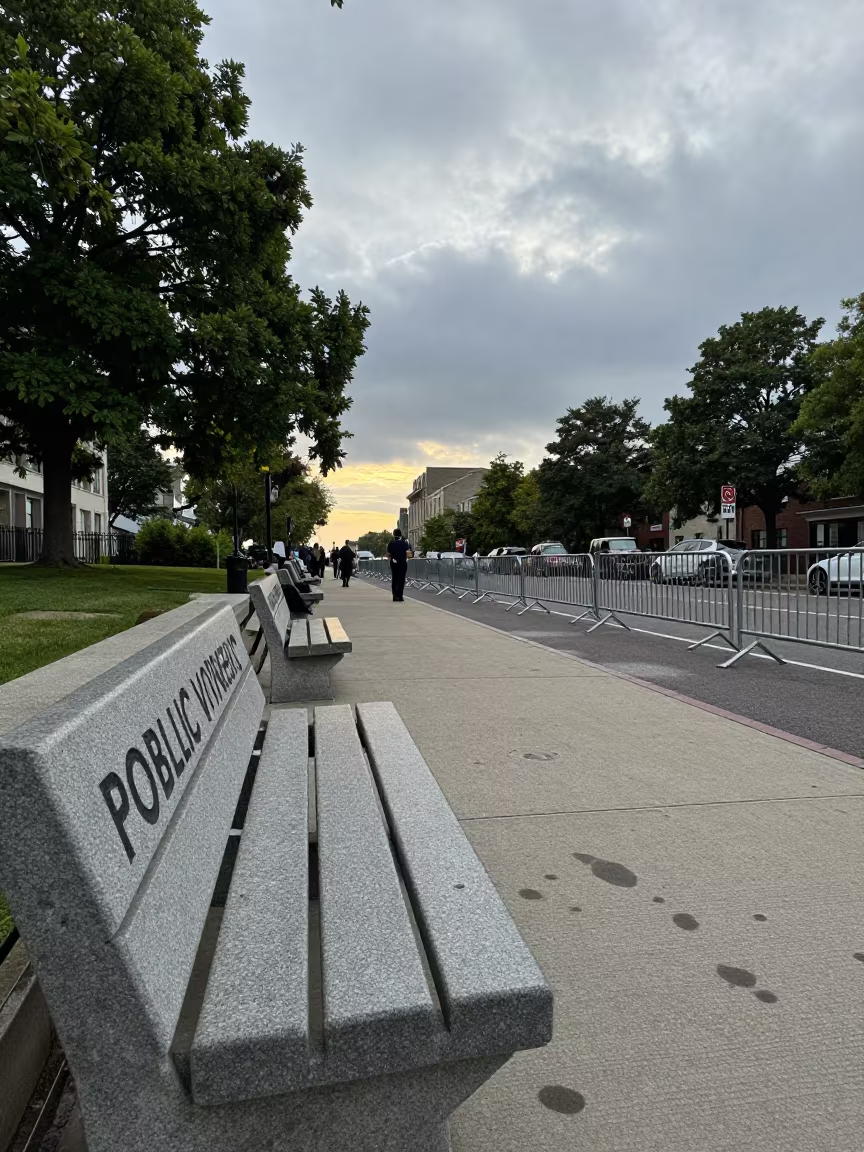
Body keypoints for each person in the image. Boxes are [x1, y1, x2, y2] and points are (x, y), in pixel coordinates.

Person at [387, 528, 413, 601]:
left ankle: (394, 595)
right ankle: (400, 595)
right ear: (400, 534)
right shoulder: (404, 543)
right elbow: (408, 552)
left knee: (394, 578)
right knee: (401, 579)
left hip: (394, 562)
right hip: (402, 562)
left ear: (394, 534)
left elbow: (389, 553)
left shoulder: (391, 543)